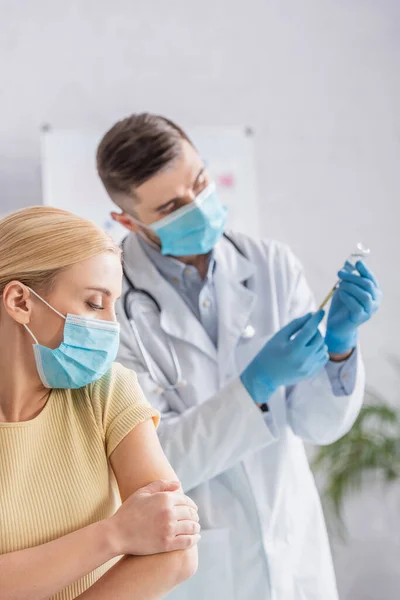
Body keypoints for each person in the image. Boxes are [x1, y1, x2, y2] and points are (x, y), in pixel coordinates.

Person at [96, 113, 382, 600]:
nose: (198, 206)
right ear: (128, 222)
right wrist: (254, 386)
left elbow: (319, 425)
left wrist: (340, 348)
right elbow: (153, 465)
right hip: (199, 565)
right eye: (171, 206)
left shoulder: (271, 265)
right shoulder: (110, 304)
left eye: (200, 182)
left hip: (292, 543)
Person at [0, 206, 201, 600]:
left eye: (114, 305)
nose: (112, 326)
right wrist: (116, 534)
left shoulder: (106, 391)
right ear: (20, 301)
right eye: (95, 304)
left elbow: (176, 549)